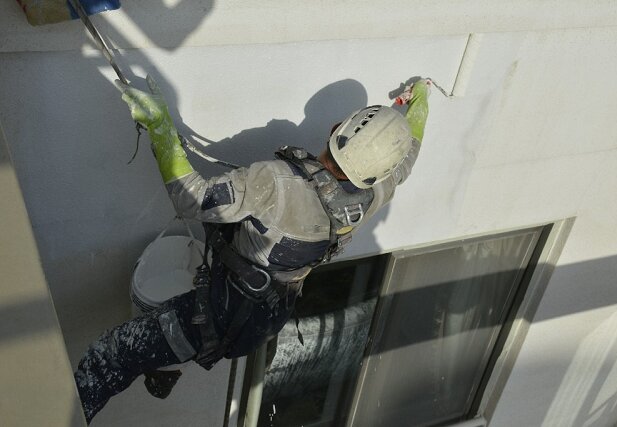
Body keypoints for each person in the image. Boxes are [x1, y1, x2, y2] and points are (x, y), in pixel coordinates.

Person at [74, 75, 430, 423]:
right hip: (266, 318)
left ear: (337, 129)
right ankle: (162, 371)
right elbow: (409, 150)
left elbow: (192, 198)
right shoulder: (377, 194)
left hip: (215, 316)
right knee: (164, 335)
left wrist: (161, 126)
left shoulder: (276, 183)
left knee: (107, 357)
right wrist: (421, 100)